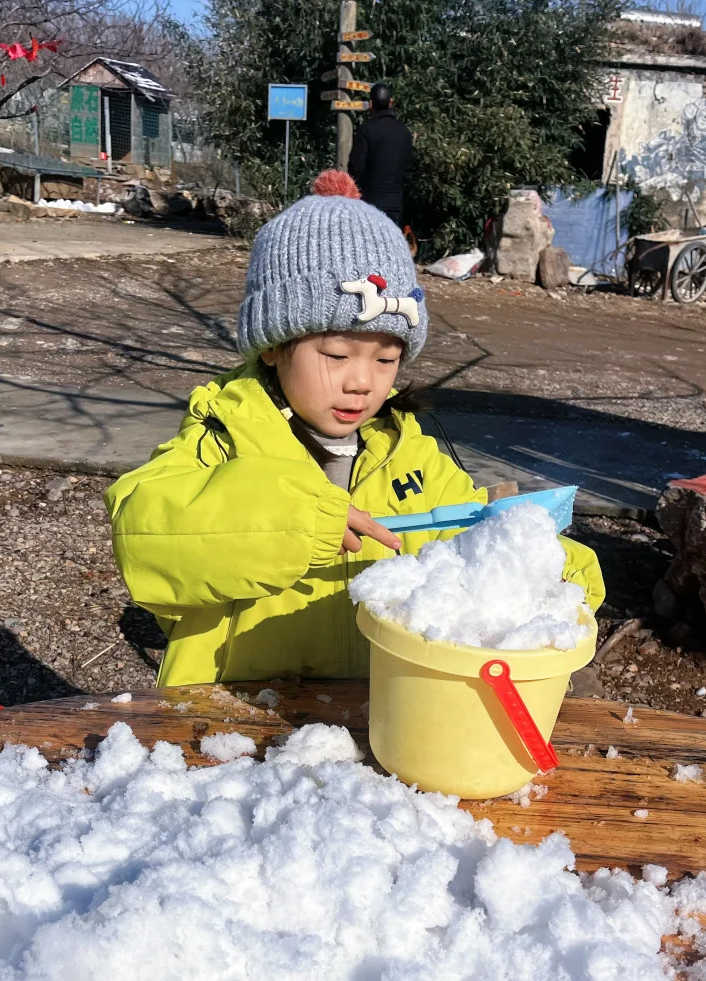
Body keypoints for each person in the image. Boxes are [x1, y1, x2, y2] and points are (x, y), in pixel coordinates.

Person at [104, 171, 603, 686]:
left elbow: (473, 529)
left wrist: (554, 567)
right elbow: (145, 538)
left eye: (386, 360)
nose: (363, 382)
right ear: (274, 345)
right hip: (236, 713)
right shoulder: (225, 436)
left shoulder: (408, 453)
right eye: (337, 354)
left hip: (380, 713)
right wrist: (292, 520)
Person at [348, 83, 413, 228]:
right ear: (391, 102)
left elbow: (356, 167)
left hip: (370, 203)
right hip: (395, 204)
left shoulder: (366, 130)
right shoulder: (404, 133)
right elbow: (409, 169)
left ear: (370, 104)